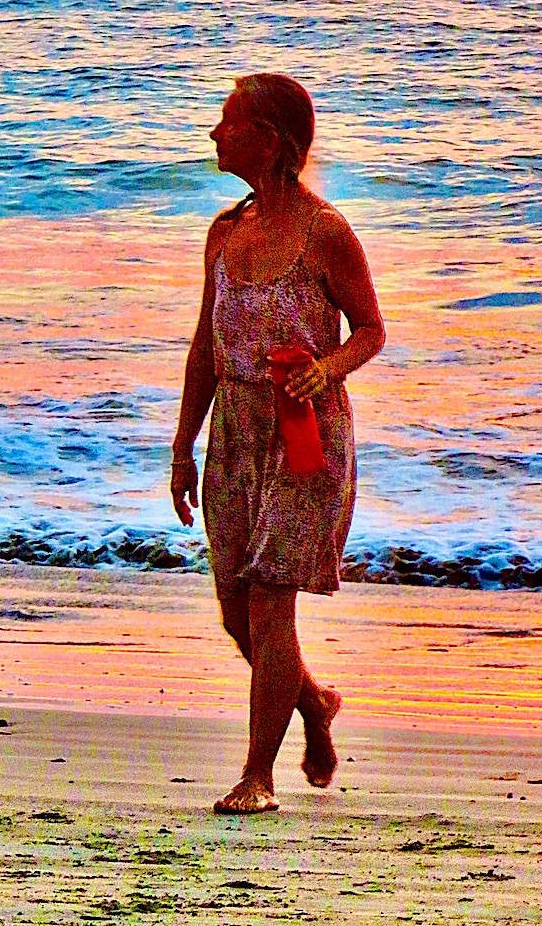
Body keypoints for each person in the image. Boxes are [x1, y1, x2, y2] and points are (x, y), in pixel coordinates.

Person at [171, 73, 385, 814]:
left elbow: (371, 329)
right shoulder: (224, 232)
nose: (214, 133)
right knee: (236, 610)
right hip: (233, 432)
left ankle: (256, 776)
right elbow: (206, 347)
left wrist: (329, 367)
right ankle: (314, 703)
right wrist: (183, 445)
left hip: (303, 434)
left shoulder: (326, 232)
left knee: (270, 605)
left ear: (269, 139)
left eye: (228, 121)